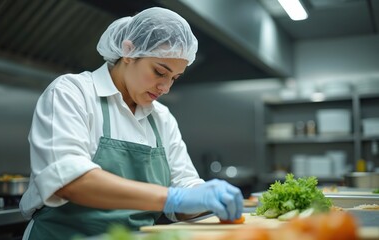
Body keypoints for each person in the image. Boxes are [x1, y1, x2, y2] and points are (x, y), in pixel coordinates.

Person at [19, 7, 243, 240]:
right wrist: (172, 198)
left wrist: (205, 196)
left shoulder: (162, 118)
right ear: (128, 51)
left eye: (174, 78)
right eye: (159, 72)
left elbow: (184, 187)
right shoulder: (72, 93)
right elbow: (70, 180)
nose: (165, 87)